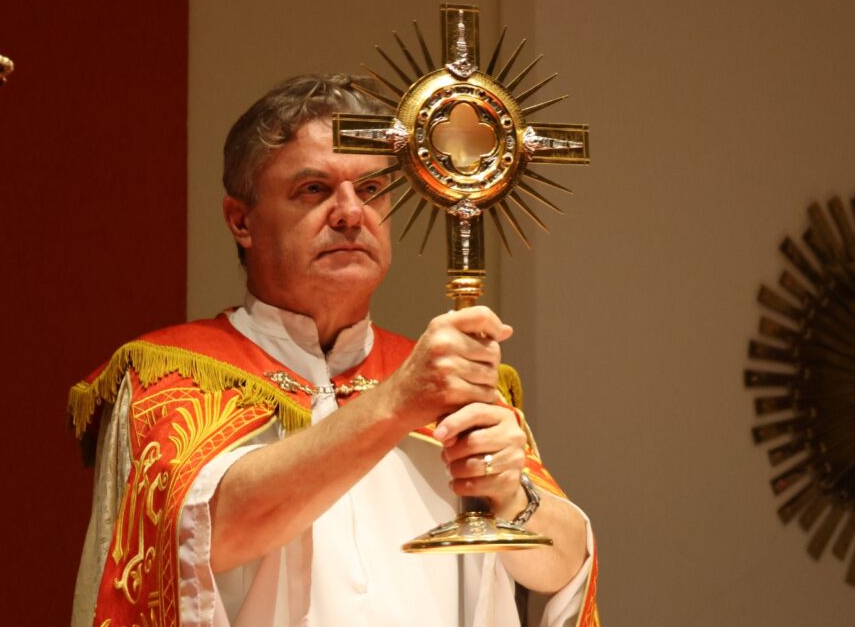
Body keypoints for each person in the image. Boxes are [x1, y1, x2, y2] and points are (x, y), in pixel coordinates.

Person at [69, 74, 599, 627]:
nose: (350, 212)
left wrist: (511, 498)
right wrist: (397, 402)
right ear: (240, 220)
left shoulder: (445, 380)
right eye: (314, 189)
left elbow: (564, 571)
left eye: (371, 190)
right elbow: (198, 538)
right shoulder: (172, 374)